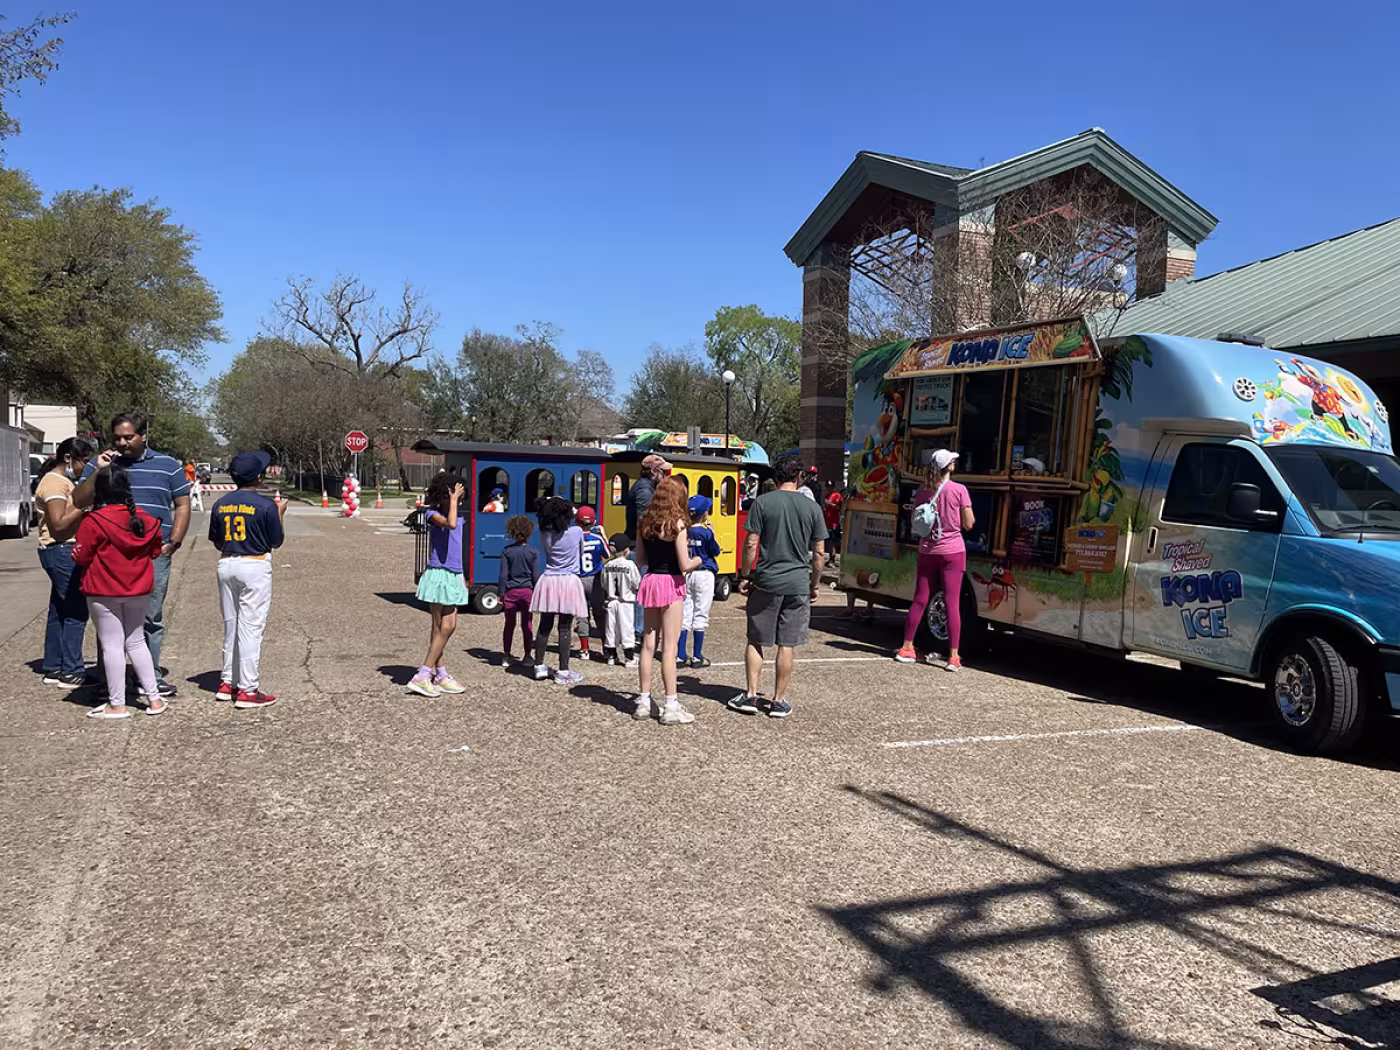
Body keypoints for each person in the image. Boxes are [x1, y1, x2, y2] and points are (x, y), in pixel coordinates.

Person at [74, 413, 191, 698]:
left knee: (150, 618)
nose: (123, 443)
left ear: (143, 436)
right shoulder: (102, 462)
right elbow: (78, 500)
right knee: (109, 624)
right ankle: (109, 683)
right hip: (108, 556)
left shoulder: (167, 466)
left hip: (152, 554)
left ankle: (147, 678)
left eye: (129, 437)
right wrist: (97, 472)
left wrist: (172, 543)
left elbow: (183, 505)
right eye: (118, 438)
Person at [730, 454, 827, 719]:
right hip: (797, 582)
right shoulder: (813, 508)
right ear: (799, 476)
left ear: (776, 477)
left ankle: (750, 695)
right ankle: (777, 700)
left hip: (766, 580)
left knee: (756, 639)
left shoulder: (762, 503)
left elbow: (751, 543)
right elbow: (819, 553)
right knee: (787, 643)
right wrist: (814, 583)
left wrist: (746, 576)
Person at [72, 466, 166, 719]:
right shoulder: (145, 519)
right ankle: (154, 699)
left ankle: (117, 704)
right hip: (138, 588)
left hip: (103, 590)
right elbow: (155, 551)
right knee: (136, 641)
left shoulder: (94, 521)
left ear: (99, 491)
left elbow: (81, 555)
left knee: (112, 646)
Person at [207, 450, 288, 709]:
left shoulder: (221, 503)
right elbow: (276, 541)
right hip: (254, 564)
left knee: (232, 626)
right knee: (251, 627)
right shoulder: (265, 505)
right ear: (259, 476)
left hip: (226, 561)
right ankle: (248, 690)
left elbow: (217, 539)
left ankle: (227, 682)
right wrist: (279, 514)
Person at [897, 449, 975, 671]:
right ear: (949, 466)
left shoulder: (922, 492)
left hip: (927, 550)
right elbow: (969, 524)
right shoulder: (959, 490)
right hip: (953, 552)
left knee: (920, 598)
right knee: (952, 602)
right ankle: (953, 657)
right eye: (953, 461)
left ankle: (906, 647)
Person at [634, 477, 702, 725]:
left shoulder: (645, 522)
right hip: (671, 583)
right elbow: (685, 564)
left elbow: (640, 559)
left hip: (651, 580)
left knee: (648, 644)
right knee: (670, 647)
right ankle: (671, 704)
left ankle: (643, 700)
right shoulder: (679, 524)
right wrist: (699, 561)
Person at [35, 437, 95, 687]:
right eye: (85, 462)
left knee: (59, 610)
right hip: (61, 548)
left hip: (58, 549)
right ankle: (71, 669)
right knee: (76, 611)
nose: (86, 467)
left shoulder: (63, 482)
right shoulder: (54, 483)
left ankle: (54, 665)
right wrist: (83, 507)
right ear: (68, 458)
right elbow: (58, 523)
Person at [407, 472, 469, 697]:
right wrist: (452, 501)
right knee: (442, 627)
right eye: (452, 496)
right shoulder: (433, 514)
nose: (458, 501)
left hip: (453, 574)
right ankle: (424, 675)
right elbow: (450, 524)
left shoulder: (458, 513)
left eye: (460, 497)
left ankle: (439, 673)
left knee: (444, 628)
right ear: (442, 495)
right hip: (439, 573)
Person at [530, 496, 588, 685]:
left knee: (544, 626)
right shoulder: (576, 531)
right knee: (564, 627)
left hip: (549, 578)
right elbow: (580, 551)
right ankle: (563, 670)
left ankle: (539, 665)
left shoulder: (544, 533)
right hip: (569, 580)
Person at [625, 454, 670, 641]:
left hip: (639, 545)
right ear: (653, 471)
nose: (666, 474)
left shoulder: (646, 487)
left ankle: (641, 630)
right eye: (663, 471)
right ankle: (638, 632)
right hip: (639, 547)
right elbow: (644, 522)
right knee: (642, 593)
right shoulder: (644, 490)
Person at [677, 494, 722, 668]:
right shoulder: (705, 532)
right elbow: (715, 551)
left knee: (686, 612)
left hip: (688, 572)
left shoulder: (685, 530)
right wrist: (712, 533)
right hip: (704, 573)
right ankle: (697, 655)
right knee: (701, 613)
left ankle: (681, 654)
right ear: (704, 514)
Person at [498, 515, 540, 666]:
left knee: (509, 624)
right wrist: (537, 591)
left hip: (511, 591)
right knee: (527, 624)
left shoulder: (506, 551)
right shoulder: (533, 552)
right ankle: (527, 655)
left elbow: (503, 574)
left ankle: (506, 655)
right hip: (527, 591)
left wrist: (501, 593)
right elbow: (536, 575)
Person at [575, 505, 610, 661]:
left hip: (579, 578)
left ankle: (584, 649)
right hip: (595, 578)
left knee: (582, 615)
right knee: (600, 614)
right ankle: (605, 647)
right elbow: (608, 553)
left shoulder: (574, 539)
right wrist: (603, 535)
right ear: (594, 521)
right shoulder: (597, 539)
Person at [601, 534, 640, 667]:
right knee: (627, 628)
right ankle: (629, 658)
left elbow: (604, 584)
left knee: (611, 628)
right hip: (626, 601)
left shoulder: (607, 565)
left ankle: (611, 656)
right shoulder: (630, 565)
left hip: (611, 601)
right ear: (625, 549)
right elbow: (637, 583)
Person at [823, 484, 844, 567]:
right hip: (827, 521)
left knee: (834, 541)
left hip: (834, 522)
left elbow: (839, 507)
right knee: (829, 541)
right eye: (827, 486)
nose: (828, 488)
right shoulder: (827, 495)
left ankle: (833, 559)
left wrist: (830, 504)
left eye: (830, 487)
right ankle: (829, 558)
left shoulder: (837, 495)